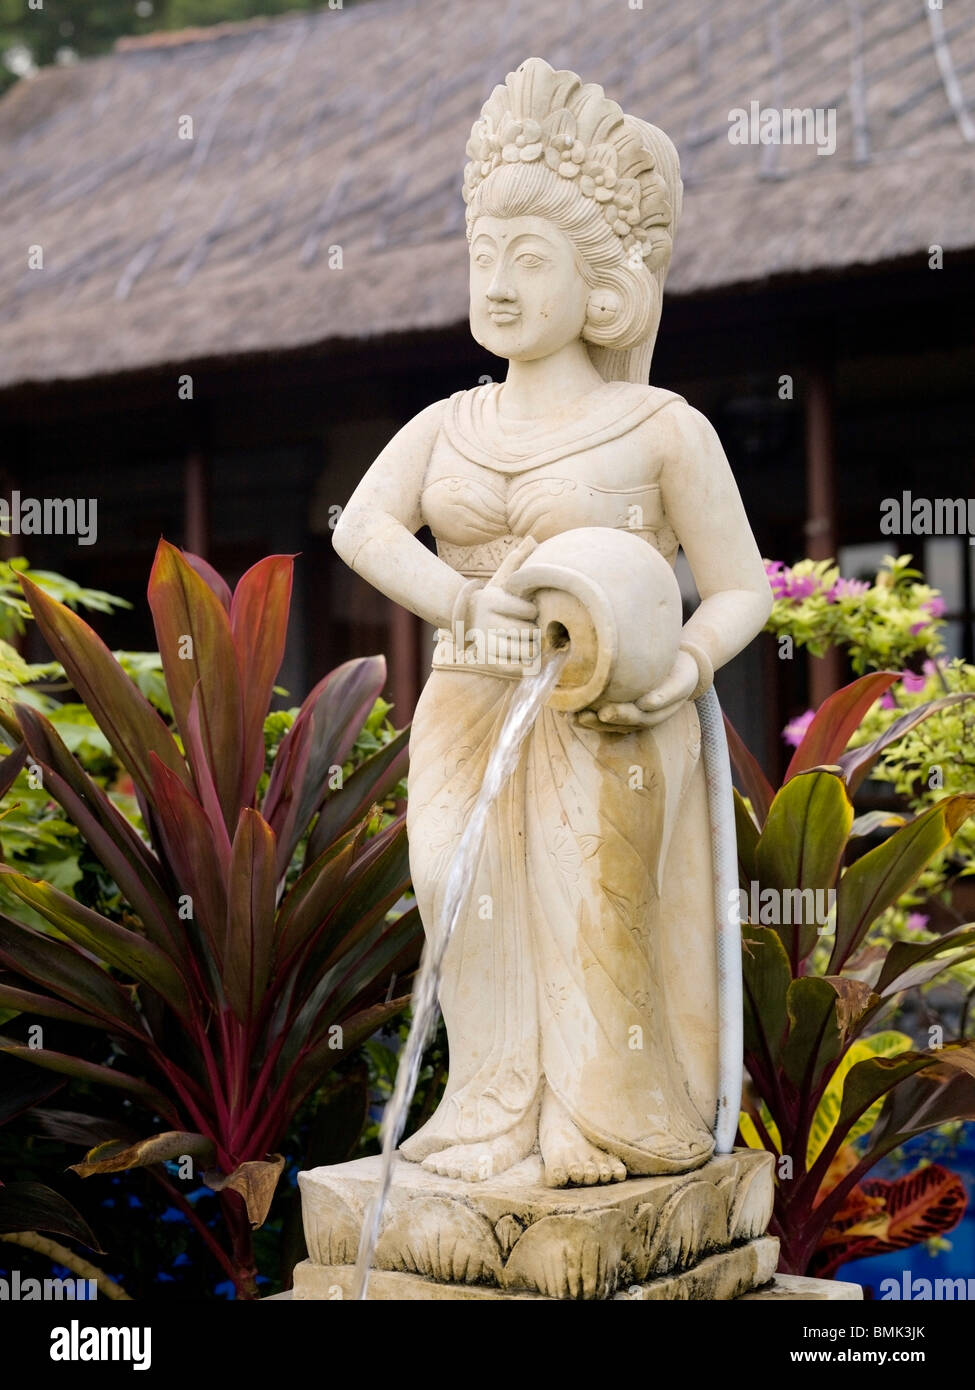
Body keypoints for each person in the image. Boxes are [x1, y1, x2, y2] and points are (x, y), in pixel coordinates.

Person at [333, 59, 772, 1187]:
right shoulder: (448, 423)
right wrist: (458, 598)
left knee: (593, 905)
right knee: (455, 886)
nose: (503, 284)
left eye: (532, 260)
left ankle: (609, 1124)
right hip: (470, 697)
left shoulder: (661, 428)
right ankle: (487, 1113)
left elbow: (740, 589)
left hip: (614, 716)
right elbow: (363, 530)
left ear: (603, 284)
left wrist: (684, 663)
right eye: (488, 257)